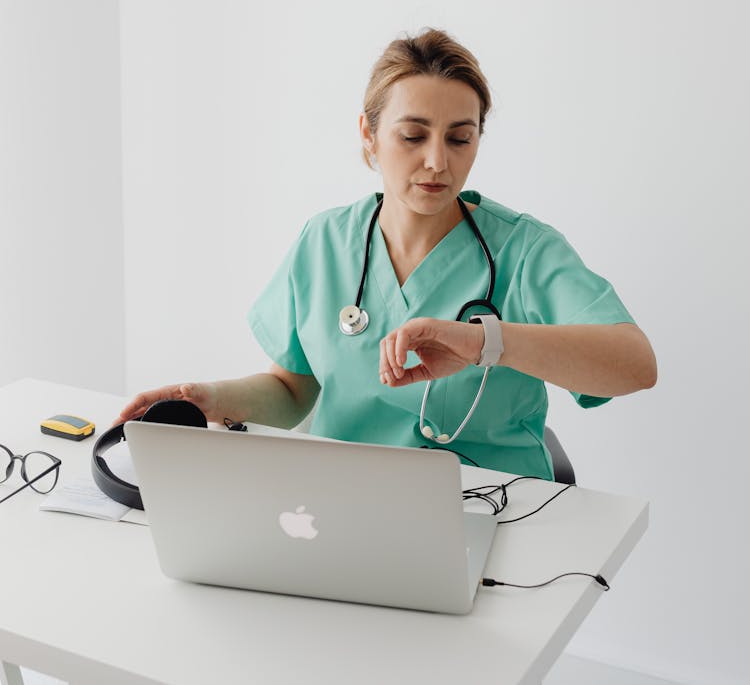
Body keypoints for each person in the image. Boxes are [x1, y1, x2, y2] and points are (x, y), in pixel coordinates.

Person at [117, 29, 657, 477]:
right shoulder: (324, 243)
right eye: (412, 136)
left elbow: (635, 365)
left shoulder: (524, 250)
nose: (437, 162)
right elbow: (292, 390)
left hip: (495, 509)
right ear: (369, 136)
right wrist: (213, 399)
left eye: (459, 139)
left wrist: (484, 341)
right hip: (343, 505)